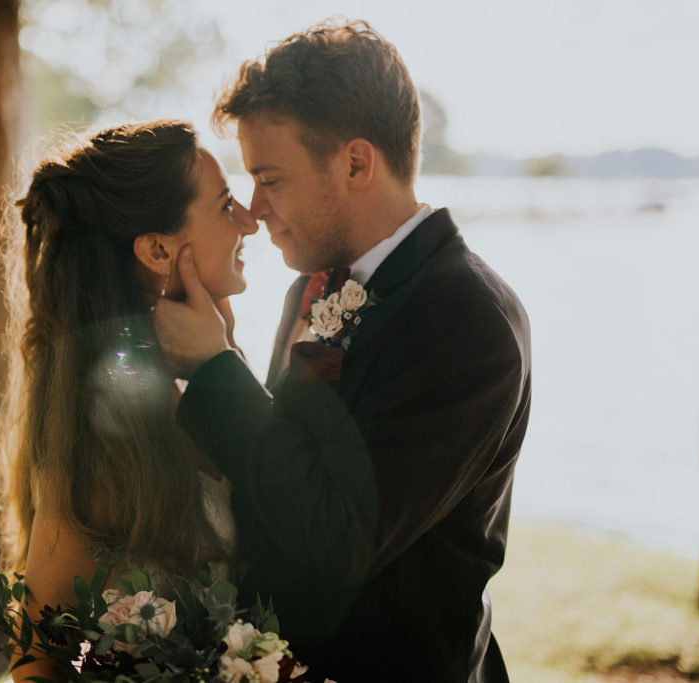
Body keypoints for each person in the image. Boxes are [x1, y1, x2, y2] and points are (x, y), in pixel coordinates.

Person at [153, 19, 532, 682]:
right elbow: (292, 460)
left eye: (270, 178)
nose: (255, 207)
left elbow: (336, 539)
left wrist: (216, 371)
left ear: (356, 162)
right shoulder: (315, 282)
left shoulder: (467, 320)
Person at [0, 120, 258, 681]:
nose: (250, 222)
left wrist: (222, 358)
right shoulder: (102, 433)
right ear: (158, 249)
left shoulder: (192, 372)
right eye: (227, 204)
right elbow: (38, 663)